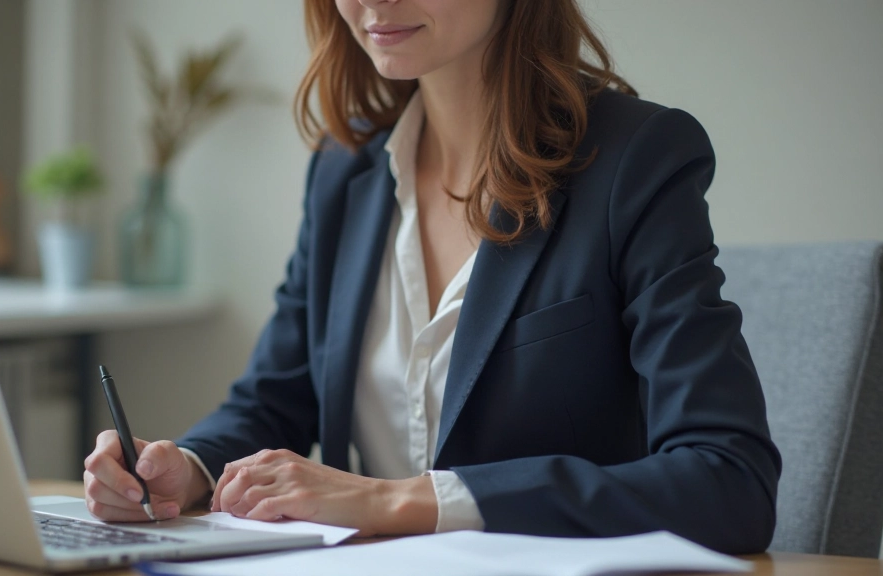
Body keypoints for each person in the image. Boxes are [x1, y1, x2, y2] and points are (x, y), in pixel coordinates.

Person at [84, 0, 782, 553]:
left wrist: (399, 501)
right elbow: (274, 401)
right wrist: (187, 470)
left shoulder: (636, 160)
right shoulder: (345, 169)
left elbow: (728, 480)